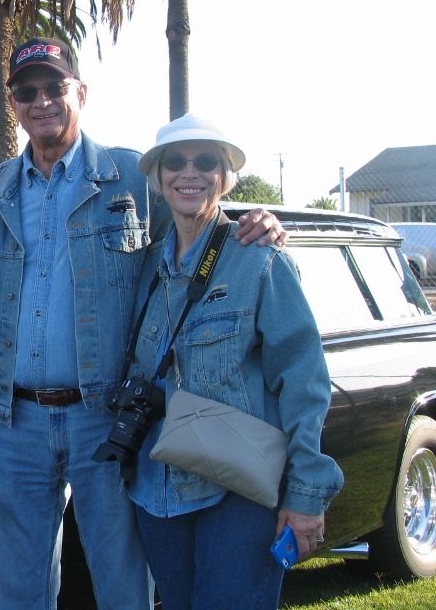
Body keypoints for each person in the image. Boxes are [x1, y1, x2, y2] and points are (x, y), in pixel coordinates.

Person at [0, 37, 286, 609]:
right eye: (27, 91)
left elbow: (197, 231)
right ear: (14, 105)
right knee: (18, 593)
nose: (42, 100)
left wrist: (253, 223)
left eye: (54, 87)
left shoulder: (131, 178)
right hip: (14, 421)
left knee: (122, 585)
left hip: (107, 420)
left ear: (81, 93)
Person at [122, 114, 343, 610]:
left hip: (238, 492)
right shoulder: (145, 269)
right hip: (156, 489)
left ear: (225, 177)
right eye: (175, 162)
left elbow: (305, 382)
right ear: (158, 177)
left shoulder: (259, 258)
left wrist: (305, 495)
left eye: (207, 162)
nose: (189, 173)